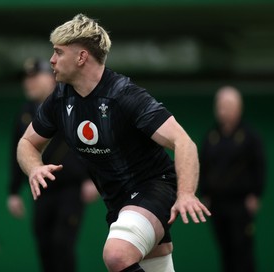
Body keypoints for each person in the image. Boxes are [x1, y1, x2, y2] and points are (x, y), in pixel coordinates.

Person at [17, 14, 211, 272]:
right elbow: (26, 143)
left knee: (117, 255)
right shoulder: (59, 100)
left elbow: (183, 141)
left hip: (154, 188)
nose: (52, 60)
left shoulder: (125, 96)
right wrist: (34, 168)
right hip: (118, 204)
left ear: (81, 57)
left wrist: (186, 193)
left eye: (58, 52)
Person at [7, 58, 98, 272]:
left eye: (35, 77)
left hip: (70, 187)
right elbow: (17, 151)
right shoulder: (24, 113)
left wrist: (93, 179)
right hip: (41, 188)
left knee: (62, 243)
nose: (29, 83)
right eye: (26, 79)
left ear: (52, 77)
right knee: (44, 244)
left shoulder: (73, 104)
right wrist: (13, 191)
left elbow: (93, 142)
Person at [200, 86, 266, 272]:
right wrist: (204, 193)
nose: (223, 110)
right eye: (220, 105)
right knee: (225, 250)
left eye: (228, 105)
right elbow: (203, 166)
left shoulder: (250, 137)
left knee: (242, 250)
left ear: (239, 107)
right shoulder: (211, 137)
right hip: (218, 204)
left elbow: (259, 166)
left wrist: (255, 194)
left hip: (241, 204)